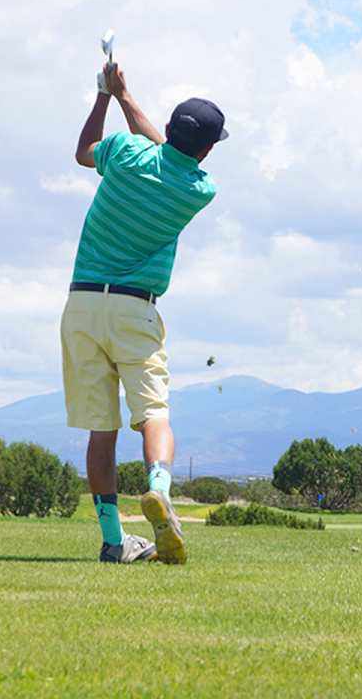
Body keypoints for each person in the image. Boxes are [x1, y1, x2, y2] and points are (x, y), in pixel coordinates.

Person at [61, 58, 228, 565]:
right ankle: (159, 488)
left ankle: (113, 541)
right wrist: (129, 100)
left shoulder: (127, 154)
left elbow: (83, 153)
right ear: (205, 150)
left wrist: (107, 96)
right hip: (137, 309)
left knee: (100, 428)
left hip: (83, 303)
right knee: (153, 413)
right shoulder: (199, 189)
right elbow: (169, 154)